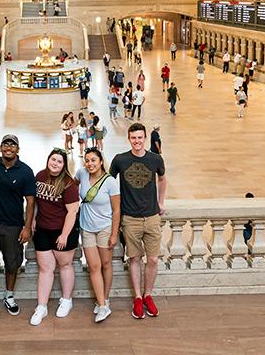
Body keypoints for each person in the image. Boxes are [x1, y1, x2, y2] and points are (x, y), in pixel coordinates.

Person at [0, 135, 36, 324]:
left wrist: (27, 227)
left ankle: (9, 296)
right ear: (0, 147)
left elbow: (31, 201)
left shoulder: (25, 171)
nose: (9, 147)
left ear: (18, 149)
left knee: (12, 263)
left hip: (13, 226)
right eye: (5, 144)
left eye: (13, 144)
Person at [110, 123, 166, 320]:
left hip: (151, 217)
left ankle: (148, 295)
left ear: (145, 138)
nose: (137, 141)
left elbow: (162, 179)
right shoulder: (120, 160)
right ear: (129, 139)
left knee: (152, 259)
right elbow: (109, 183)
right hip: (130, 218)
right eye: (133, 138)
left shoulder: (155, 159)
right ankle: (138, 297)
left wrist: (160, 202)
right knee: (134, 259)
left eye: (140, 137)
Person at [29, 149, 80, 326]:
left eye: (59, 161)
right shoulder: (40, 176)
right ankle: (41, 306)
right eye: (53, 159)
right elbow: (35, 201)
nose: (55, 163)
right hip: (43, 229)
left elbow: (72, 211)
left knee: (65, 265)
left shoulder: (68, 184)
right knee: (45, 269)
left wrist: (64, 234)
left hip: (62, 230)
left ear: (64, 165)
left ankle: (67, 300)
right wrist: (33, 218)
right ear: (48, 160)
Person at [75, 149, 118, 319]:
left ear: (101, 161)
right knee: (93, 266)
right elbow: (70, 185)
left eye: (93, 160)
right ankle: (102, 304)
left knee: (106, 264)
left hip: (105, 228)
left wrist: (114, 234)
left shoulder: (110, 182)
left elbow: (116, 210)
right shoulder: (81, 174)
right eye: (87, 160)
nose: (90, 164)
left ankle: (105, 300)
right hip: (86, 227)